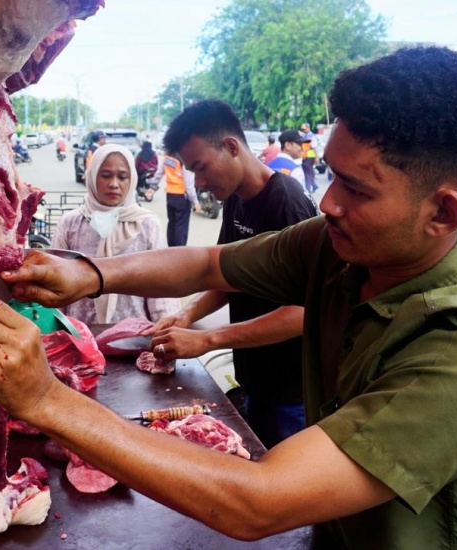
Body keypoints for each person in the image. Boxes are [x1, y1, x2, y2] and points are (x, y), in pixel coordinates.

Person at [0, 46, 457, 547]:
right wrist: (88, 274)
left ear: (443, 212)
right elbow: (211, 263)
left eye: (355, 188)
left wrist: (45, 401)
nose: (329, 202)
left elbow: (262, 501)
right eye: (330, 176)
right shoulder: (336, 249)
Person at [142, 99, 318, 447]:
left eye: (202, 167)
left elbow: (304, 311)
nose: (200, 182)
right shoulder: (237, 199)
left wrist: (209, 339)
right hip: (255, 378)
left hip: (291, 389)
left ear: (231, 146)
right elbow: (228, 276)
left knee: (279, 488)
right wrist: (186, 315)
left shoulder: (286, 202)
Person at [52, 143, 180, 324]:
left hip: (134, 338)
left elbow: (162, 288)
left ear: (132, 180)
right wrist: (57, 332)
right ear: (92, 177)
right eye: (105, 176)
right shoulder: (71, 223)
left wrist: (164, 335)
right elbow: (56, 282)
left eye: (122, 177)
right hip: (79, 336)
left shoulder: (147, 225)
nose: (114, 184)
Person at [148, 148, 200, 246]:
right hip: (181, 196)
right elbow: (189, 184)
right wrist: (195, 202)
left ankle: (171, 249)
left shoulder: (167, 157)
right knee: (181, 226)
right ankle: (179, 252)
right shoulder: (184, 159)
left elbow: (159, 173)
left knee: (172, 223)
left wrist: (153, 187)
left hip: (170, 195)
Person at [299, 122, 319, 197]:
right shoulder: (304, 136)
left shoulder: (312, 136)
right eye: (302, 129)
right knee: (308, 172)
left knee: (307, 173)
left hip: (310, 157)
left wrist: (317, 157)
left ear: (308, 128)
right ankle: (314, 185)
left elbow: (314, 147)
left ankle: (308, 190)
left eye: (304, 129)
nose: (303, 130)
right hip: (304, 157)